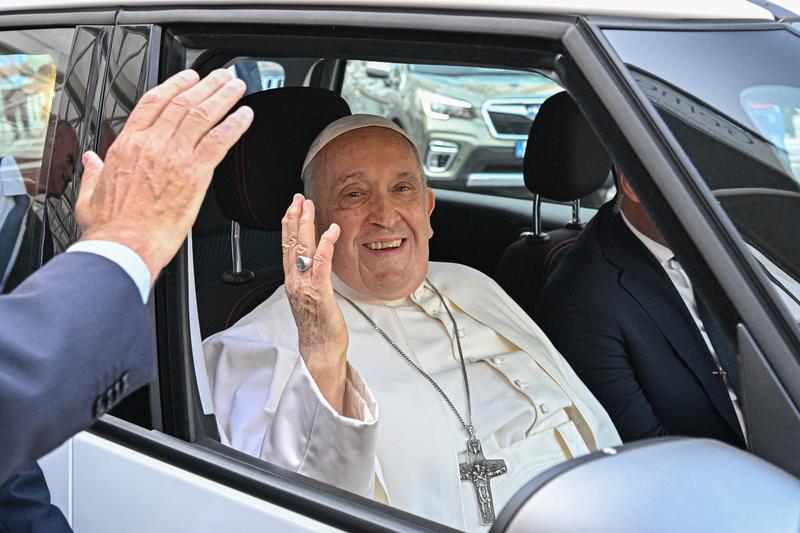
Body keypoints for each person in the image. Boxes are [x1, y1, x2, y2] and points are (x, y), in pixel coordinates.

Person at [203, 115, 620, 531]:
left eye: (402, 189)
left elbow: (592, 426)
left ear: (427, 206)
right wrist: (322, 352)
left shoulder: (473, 286)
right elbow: (293, 514)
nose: (384, 215)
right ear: (311, 222)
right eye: (353, 194)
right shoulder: (251, 344)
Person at [0, 67, 254, 485]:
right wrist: (128, 237)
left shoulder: (36, 222)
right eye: (70, 161)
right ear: (52, 133)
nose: (68, 180)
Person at [535, 172, 746, 448]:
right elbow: (649, 453)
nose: (722, 200)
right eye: (702, 181)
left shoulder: (730, 248)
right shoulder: (582, 300)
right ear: (633, 185)